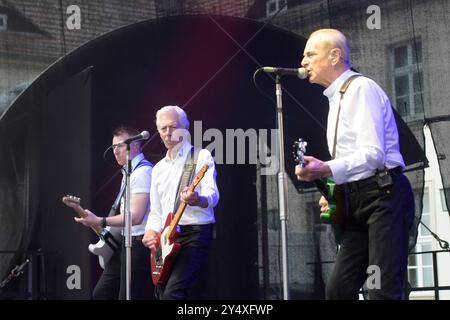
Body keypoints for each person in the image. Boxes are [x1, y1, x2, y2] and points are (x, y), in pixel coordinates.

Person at [294, 29, 414, 300]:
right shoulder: (336, 98)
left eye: (310, 54)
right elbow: (354, 158)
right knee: (338, 290)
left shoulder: (360, 88)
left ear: (335, 55)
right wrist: (334, 190)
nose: (303, 62)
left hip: (383, 197)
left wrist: (325, 168)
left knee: (382, 289)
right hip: (358, 200)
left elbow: (373, 154)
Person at [142, 105, 219, 300]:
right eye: (163, 128)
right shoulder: (158, 168)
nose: (168, 133)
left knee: (173, 294)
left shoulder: (201, 156)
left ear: (185, 128)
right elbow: (156, 212)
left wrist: (197, 199)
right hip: (166, 238)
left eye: (173, 127)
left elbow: (213, 196)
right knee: (161, 293)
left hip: (194, 232)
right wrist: (150, 232)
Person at [75, 126, 154, 300]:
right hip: (125, 242)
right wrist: (97, 223)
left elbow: (136, 216)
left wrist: (101, 221)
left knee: (129, 296)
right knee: (102, 293)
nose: (115, 151)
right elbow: (125, 215)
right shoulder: (128, 173)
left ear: (134, 146)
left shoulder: (142, 173)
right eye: (113, 147)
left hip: (138, 244)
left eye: (119, 146)